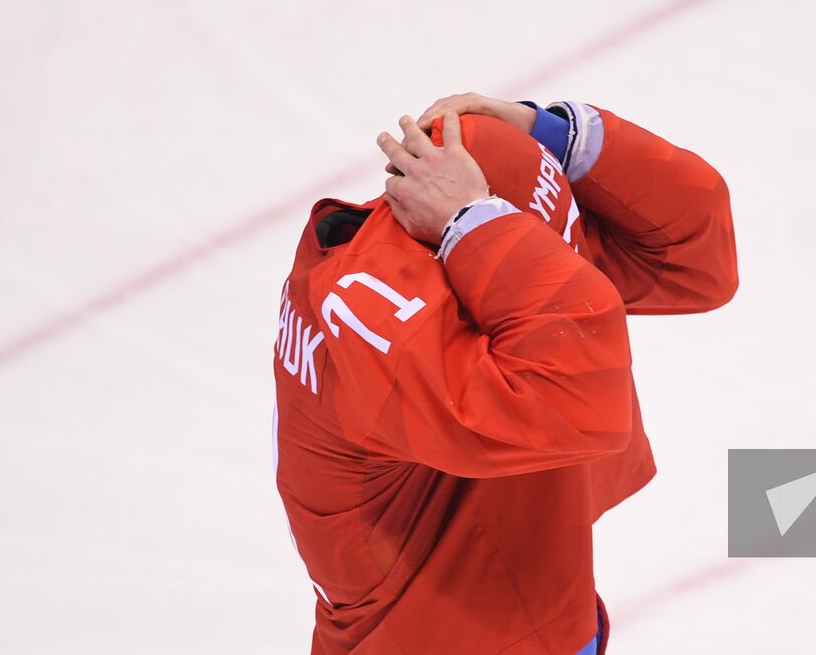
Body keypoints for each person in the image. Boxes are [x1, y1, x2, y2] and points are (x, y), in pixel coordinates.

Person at [271, 93, 739, 654]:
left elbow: (695, 261)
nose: (571, 247)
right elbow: (571, 406)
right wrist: (478, 221)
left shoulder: (472, 245)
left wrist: (554, 136)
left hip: (519, 609)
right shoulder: (373, 309)